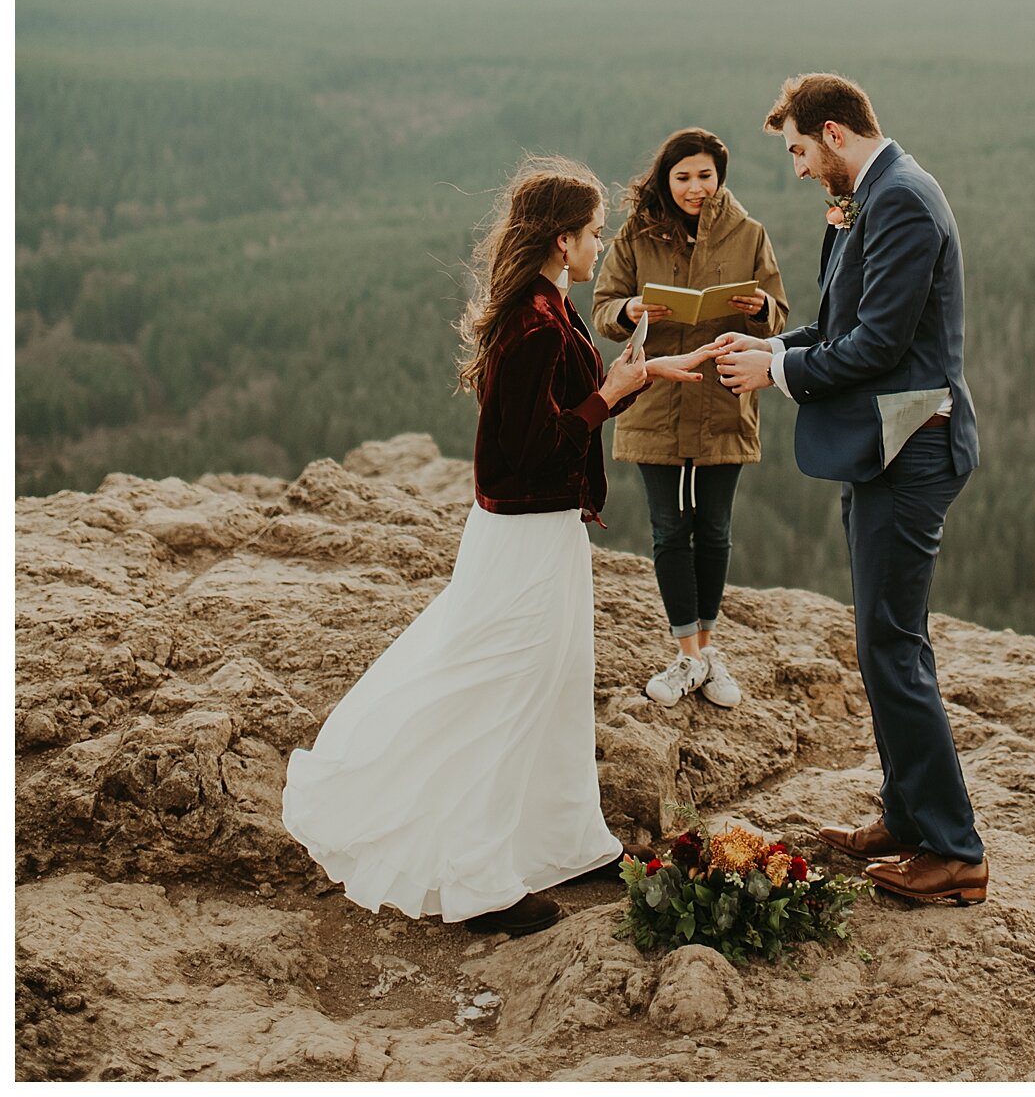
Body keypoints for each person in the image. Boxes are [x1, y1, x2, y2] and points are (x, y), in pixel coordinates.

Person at [281, 157, 712, 940]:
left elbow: (562, 411)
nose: (598, 244)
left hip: (541, 532)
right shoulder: (534, 323)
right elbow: (525, 450)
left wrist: (647, 376)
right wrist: (608, 397)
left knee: (555, 684)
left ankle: (564, 840)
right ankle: (479, 882)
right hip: (520, 537)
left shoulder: (548, 305)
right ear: (560, 240)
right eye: (591, 233)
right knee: (508, 693)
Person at [714, 74, 988, 906]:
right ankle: (905, 819)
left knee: (891, 647)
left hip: (913, 449)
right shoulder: (873, 195)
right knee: (884, 641)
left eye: (797, 150)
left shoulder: (901, 199)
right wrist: (767, 344)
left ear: (833, 134)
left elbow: (876, 346)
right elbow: (840, 326)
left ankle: (953, 851)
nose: (796, 169)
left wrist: (778, 371)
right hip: (881, 450)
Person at [592, 128, 788, 709]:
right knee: (670, 529)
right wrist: (630, 308)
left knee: (716, 532)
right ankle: (689, 656)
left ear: (719, 177)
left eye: (705, 176)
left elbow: (779, 316)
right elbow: (603, 310)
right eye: (683, 177)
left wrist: (762, 308)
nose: (695, 187)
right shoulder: (635, 237)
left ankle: (704, 651)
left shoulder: (749, 235)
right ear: (666, 180)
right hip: (656, 400)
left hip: (724, 400)